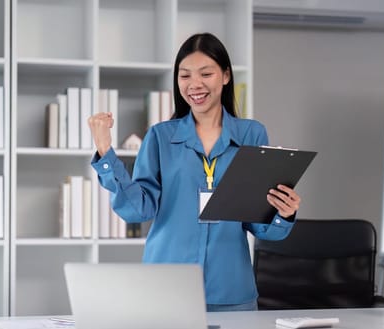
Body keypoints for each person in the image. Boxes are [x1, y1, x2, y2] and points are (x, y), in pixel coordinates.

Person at [88, 32, 302, 312]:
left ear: (225, 76)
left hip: (230, 289)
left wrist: (284, 213)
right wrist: (105, 151)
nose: (194, 85)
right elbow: (137, 211)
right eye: (185, 75)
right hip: (166, 287)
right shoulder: (160, 137)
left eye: (206, 74)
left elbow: (261, 227)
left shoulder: (252, 133)